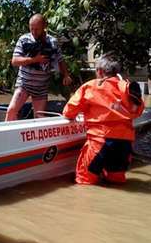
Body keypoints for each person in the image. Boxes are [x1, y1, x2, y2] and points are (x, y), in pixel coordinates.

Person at [62, 52, 144, 185]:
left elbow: (69, 111)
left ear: (99, 70)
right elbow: (138, 111)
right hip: (125, 144)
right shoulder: (128, 89)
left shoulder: (92, 86)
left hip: (101, 142)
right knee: (117, 182)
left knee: (84, 181)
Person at [6, 13, 72, 121]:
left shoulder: (53, 42)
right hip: (24, 83)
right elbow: (15, 61)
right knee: (11, 110)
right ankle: (6, 136)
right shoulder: (24, 40)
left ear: (44, 26)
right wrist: (35, 59)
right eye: (31, 29)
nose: (34, 32)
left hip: (41, 86)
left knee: (39, 117)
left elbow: (61, 60)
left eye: (36, 29)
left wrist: (66, 75)